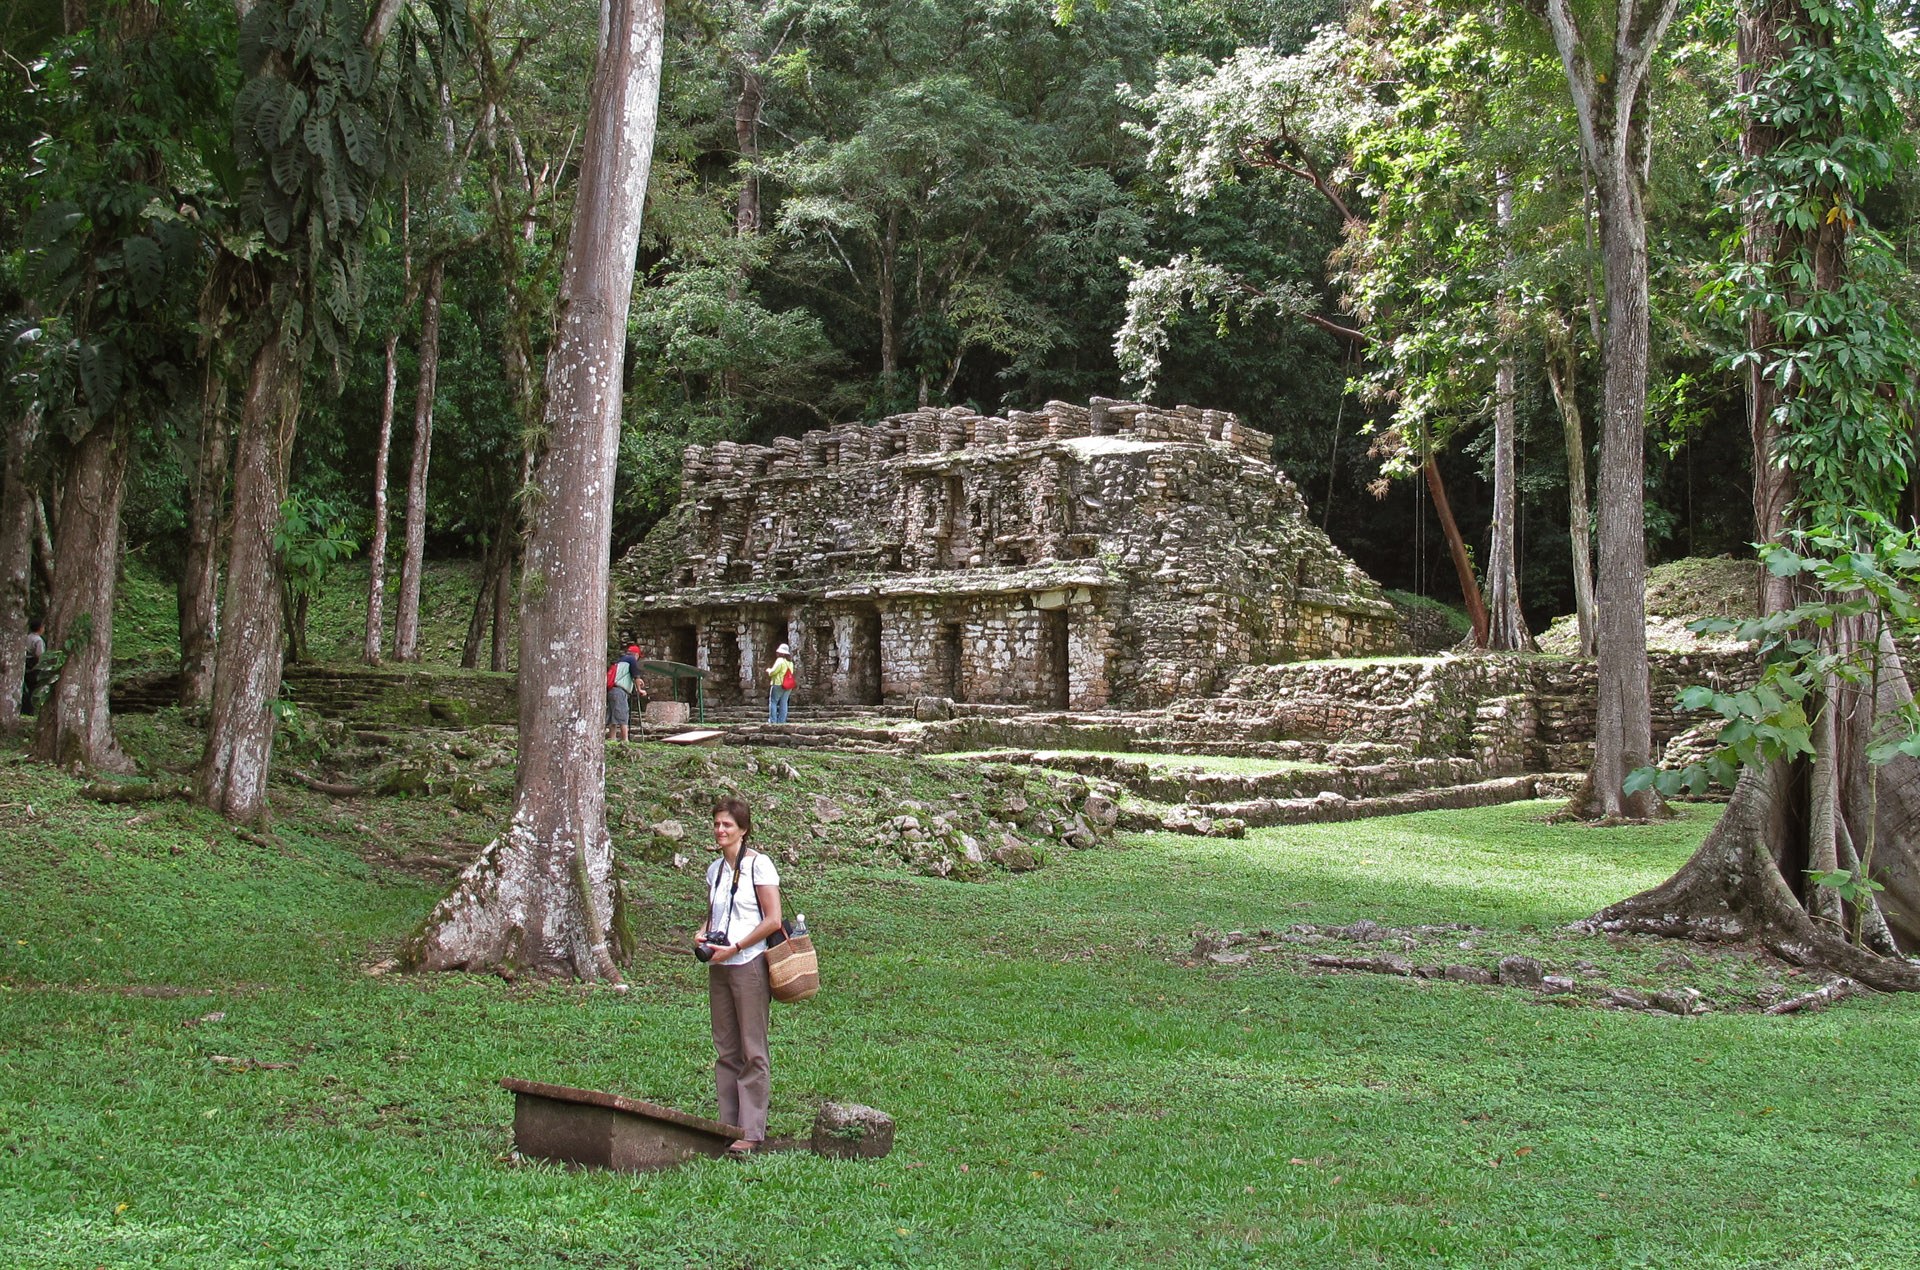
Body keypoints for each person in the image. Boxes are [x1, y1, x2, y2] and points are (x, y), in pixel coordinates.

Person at [694, 797, 783, 1154]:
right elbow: (714, 915)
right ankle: (727, 1125)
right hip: (720, 964)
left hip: (749, 963)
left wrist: (739, 946)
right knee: (725, 1048)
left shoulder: (759, 866)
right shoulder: (715, 869)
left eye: (727, 825)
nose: (720, 830)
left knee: (752, 1048)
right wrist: (703, 934)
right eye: (716, 824)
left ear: (743, 829)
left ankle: (750, 1131)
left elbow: (773, 919)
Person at [605, 643, 644, 742]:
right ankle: (625, 739)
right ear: (636, 654)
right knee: (623, 714)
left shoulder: (620, 661)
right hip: (620, 691)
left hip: (611, 690)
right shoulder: (632, 660)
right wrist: (640, 690)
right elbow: (636, 676)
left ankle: (612, 738)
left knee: (612, 715)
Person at [766, 642, 795, 724]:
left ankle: (773, 721)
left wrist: (769, 670)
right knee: (784, 702)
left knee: (773, 702)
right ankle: (782, 721)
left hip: (778, 684)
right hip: (788, 685)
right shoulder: (790, 663)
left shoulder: (780, 661)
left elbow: (773, 672)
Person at [22, 618, 44, 716]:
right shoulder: (38, 640)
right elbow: (39, 655)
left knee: (25, 688)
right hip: (33, 665)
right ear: (39, 628)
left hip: (25, 663)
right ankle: (29, 710)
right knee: (33, 689)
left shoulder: (27, 637)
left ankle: (23, 708)